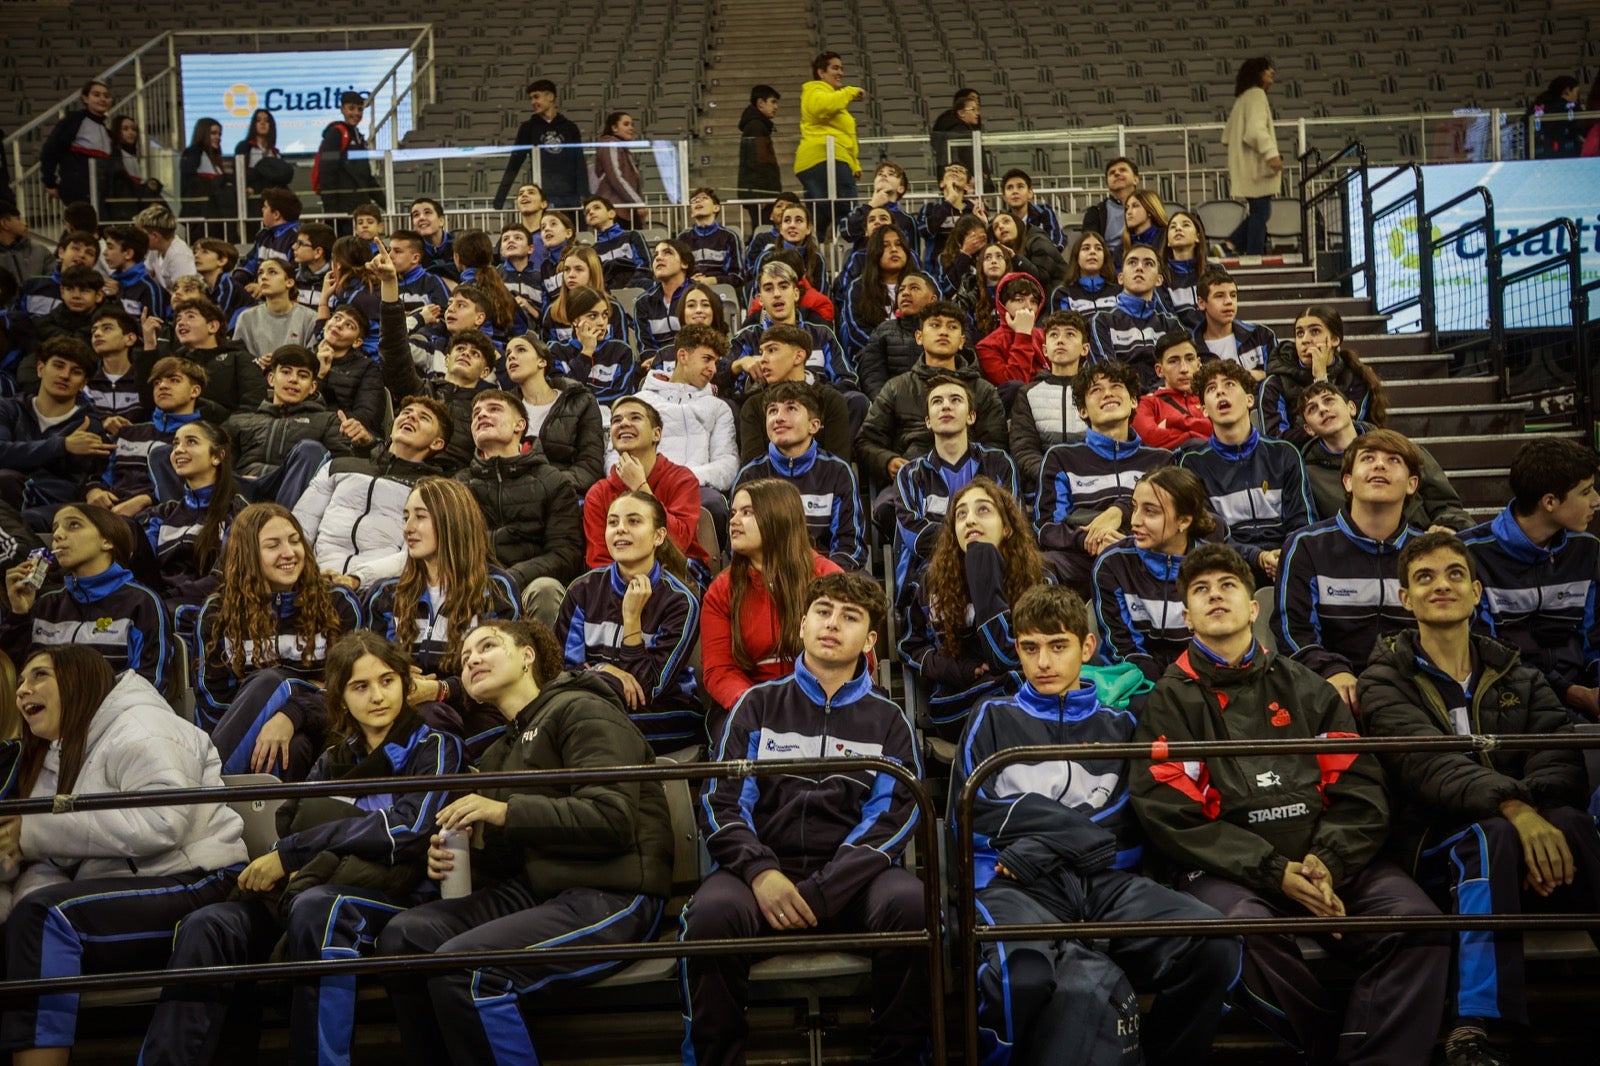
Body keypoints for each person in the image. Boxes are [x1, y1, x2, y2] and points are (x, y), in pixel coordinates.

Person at [1130, 542, 1451, 1066]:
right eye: (1201, 590)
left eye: (1228, 586)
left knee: (1419, 927)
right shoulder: (1168, 700)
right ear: (1186, 617)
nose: (1216, 596)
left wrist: (1328, 861)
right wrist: (1274, 870)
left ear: (1253, 608)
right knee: (1236, 934)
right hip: (1230, 872)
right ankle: (1329, 1050)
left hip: (1330, 860)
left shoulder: (1306, 686)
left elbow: (1360, 787)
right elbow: (1172, 812)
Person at [137, 631, 462, 1066]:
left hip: (395, 893)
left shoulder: (434, 746)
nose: (377, 696)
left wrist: (295, 853)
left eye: (387, 681)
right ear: (341, 698)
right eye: (360, 686)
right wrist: (295, 854)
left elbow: (406, 830)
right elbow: (292, 822)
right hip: (312, 883)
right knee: (209, 924)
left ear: (405, 683)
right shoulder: (333, 759)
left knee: (319, 908)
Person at [954, 584, 1238, 1065]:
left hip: (1104, 882)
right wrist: (1067, 838)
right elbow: (971, 813)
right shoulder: (991, 717)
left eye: (1057, 645)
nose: (1043, 662)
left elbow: (1125, 824)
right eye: (1030, 648)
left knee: (1215, 943)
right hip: (1012, 885)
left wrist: (1039, 846)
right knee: (1021, 977)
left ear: (1087, 647)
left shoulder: (1120, 725)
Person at [374, 619, 672, 1066]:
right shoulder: (499, 752)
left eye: (487, 646)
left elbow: (611, 819)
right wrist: (465, 849)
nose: (472, 659)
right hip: (537, 891)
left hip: (613, 891)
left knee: (464, 965)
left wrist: (503, 811)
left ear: (527, 656)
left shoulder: (583, 709)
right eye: (465, 656)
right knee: (403, 938)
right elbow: (509, 854)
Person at [1360, 531, 1600, 1066]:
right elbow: (1428, 767)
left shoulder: (1520, 673)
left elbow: (1558, 755)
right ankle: (1471, 1025)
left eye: (1454, 574)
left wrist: (1532, 822)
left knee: (1574, 824)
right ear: (1405, 599)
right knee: (1491, 839)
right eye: (1424, 577)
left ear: (1476, 591)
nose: (1440, 585)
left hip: (1522, 836)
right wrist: (1517, 813)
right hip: (1428, 844)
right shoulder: (1383, 679)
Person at [685, 571, 926, 1064]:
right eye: (822, 612)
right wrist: (761, 872)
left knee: (913, 907)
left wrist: (826, 888)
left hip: (852, 884)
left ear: (870, 641)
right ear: (801, 625)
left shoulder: (889, 721)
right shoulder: (757, 705)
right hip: (760, 876)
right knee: (709, 915)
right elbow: (721, 803)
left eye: (850, 617)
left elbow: (893, 817)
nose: (832, 624)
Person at [0, 644, 246, 1063]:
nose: (23, 689)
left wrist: (35, 836)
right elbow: (50, 856)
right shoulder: (61, 749)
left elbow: (164, 820)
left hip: (199, 878)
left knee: (45, 917)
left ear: (79, 681)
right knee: (24, 918)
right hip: (130, 886)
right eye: (21, 680)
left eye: (40, 675)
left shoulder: (143, 726)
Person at [362, 477, 522, 759]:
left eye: (420, 516)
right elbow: (364, 664)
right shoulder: (385, 595)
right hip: (400, 709)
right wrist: (394, 677)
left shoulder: (496, 589)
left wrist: (441, 689)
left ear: (452, 521)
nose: (407, 528)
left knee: (430, 719)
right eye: (406, 517)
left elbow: (507, 672)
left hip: (478, 713)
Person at [195, 503, 360, 777]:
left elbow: (349, 691)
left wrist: (291, 714)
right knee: (287, 747)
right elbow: (213, 702)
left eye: (295, 541)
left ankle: (206, 789)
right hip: (248, 740)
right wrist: (269, 721)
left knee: (274, 683)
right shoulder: (218, 612)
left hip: (325, 728)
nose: (289, 552)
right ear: (247, 554)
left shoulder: (338, 603)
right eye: (273, 545)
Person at [1274, 428, 1432, 711]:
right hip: (1332, 694)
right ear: (1347, 481)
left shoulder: (1429, 552)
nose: (1380, 465)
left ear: (1412, 484)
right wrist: (1331, 670)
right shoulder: (1306, 545)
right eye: (1368, 458)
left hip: (1414, 690)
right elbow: (1293, 631)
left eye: (1393, 460)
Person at [1460, 438, 1600, 718]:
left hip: (1583, 695)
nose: (1597, 500)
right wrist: (1569, 692)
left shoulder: (1588, 549)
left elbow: (1595, 637)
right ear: (1549, 502)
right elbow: (1487, 651)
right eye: (1586, 492)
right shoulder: (1469, 554)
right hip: (1509, 701)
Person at [556, 490, 702, 752]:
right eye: (613, 522)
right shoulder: (582, 590)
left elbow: (649, 687)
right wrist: (604, 669)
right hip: (592, 705)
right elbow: (563, 671)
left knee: (581, 727)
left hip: (665, 712)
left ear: (659, 536)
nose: (620, 529)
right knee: (574, 720)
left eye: (633, 521)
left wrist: (632, 618)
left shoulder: (679, 601)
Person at [900, 477, 1045, 738]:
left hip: (1020, 689)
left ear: (1007, 528)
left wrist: (983, 567)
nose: (970, 521)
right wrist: (960, 669)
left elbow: (1008, 658)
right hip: (956, 699)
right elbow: (909, 646)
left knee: (1023, 685)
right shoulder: (933, 582)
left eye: (983, 510)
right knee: (1015, 688)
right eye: (961, 514)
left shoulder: (1037, 580)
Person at [700, 480, 841, 720]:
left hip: (822, 701)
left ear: (778, 517)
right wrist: (757, 705)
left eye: (747, 512)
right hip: (750, 706)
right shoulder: (721, 590)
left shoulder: (828, 577)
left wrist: (813, 701)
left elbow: (853, 656)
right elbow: (719, 669)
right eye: (733, 513)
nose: (733, 521)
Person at [1035, 361, 1173, 593]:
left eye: (1116, 386)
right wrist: (1090, 539)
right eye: (1096, 390)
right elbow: (1047, 528)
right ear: (1083, 411)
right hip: (1082, 560)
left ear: (1133, 401)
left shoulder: (1161, 460)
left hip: (1146, 556)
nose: (1108, 393)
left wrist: (1120, 512)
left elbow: (1173, 520)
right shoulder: (1061, 458)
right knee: (1038, 566)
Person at [1, 503, 170, 690]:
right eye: (55, 529)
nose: (57, 535)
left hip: (117, 708)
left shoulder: (141, 603)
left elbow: (150, 684)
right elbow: (11, 683)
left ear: (107, 540)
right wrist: (19, 615)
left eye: (74, 525)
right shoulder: (46, 605)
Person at [293, 395, 452, 593]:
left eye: (424, 418)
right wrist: (305, 573)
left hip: (379, 591)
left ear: (437, 443)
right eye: (406, 413)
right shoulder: (337, 466)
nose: (411, 418)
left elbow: (413, 555)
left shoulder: (432, 490)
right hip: (314, 580)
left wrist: (357, 579)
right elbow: (301, 525)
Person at [1179, 358, 1312, 584]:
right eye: (1211, 389)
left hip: (1288, 562)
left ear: (1250, 399)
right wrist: (1257, 557)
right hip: (1227, 567)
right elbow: (1206, 534)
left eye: (1229, 384)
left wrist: (1284, 556)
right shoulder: (1192, 463)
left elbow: (1302, 521)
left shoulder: (1284, 453)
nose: (1220, 392)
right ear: (1204, 410)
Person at [859, 300, 1008, 500]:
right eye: (935, 325)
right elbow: (866, 441)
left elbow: (996, 446)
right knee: (886, 506)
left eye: (952, 327)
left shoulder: (983, 390)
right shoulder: (896, 388)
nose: (944, 332)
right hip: (911, 481)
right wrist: (888, 461)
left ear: (962, 341)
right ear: (919, 337)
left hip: (971, 483)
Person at [460, 389, 585, 626]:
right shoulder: (457, 486)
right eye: (476, 413)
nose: (482, 415)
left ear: (520, 425)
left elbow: (565, 554)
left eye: (494, 409)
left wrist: (509, 578)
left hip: (527, 587)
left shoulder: (553, 481)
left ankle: (544, 652)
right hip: (471, 587)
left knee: (546, 589)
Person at [373, 239, 494, 470]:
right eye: (460, 349)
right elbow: (393, 348)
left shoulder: (487, 407)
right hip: (400, 471)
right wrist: (389, 284)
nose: (466, 354)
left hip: (457, 481)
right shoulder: (421, 391)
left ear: (486, 371)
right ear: (446, 360)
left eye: (475, 353)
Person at [1092, 466, 1219, 682]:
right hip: (1137, 680)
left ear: (1184, 521)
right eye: (1134, 508)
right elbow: (1123, 647)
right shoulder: (1113, 563)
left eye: (1150, 511)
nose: (1135, 521)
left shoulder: (1215, 565)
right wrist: (1160, 688)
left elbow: (1219, 643)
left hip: (1201, 677)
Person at [893, 375, 1019, 586]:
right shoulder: (910, 474)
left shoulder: (999, 463)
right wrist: (973, 536)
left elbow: (1010, 523)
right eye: (937, 401)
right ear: (928, 421)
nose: (946, 406)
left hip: (995, 566)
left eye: (955, 400)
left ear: (971, 417)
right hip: (929, 574)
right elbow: (915, 536)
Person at [1298, 383, 1470, 531]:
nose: (1323, 409)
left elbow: (1447, 505)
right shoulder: (1307, 475)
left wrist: (1448, 527)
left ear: (1351, 408)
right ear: (1308, 429)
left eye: (1329, 400)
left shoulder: (1401, 448)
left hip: (1419, 543)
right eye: (1312, 409)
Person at [735, 380, 864, 571]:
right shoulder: (750, 476)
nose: (779, 418)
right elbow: (740, 547)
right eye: (772, 411)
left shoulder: (838, 472)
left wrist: (822, 578)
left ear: (814, 425)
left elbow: (849, 545)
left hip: (826, 575)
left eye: (791, 409)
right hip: (767, 574)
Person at [142, 419, 248, 609]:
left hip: (209, 608)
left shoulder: (238, 512)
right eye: (175, 444)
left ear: (217, 456)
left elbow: (224, 578)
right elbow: (142, 566)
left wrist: (167, 600)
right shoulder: (162, 514)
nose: (178, 450)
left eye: (191, 442)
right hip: (159, 606)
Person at [222, 345, 354, 499]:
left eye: (303, 375)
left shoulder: (328, 421)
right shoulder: (240, 421)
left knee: (310, 450)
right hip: (242, 492)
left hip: (296, 497)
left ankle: (285, 515)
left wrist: (362, 445)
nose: (293, 379)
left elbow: (342, 470)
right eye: (285, 372)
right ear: (271, 379)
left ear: (313, 387)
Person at [0, 337, 111, 513]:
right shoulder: (8, 409)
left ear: (83, 384)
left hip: (52, 510)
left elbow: (78, 486)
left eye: (75, 372)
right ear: (40, 369)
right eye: (58, 366)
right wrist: (62, 445)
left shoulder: (88, 426)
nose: (65, 375)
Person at [91, 353, 205, 517]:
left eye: (174, 380)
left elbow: (200, 487)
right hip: (110, 512)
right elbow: (100, 475)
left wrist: (147, 499)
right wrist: (95, 490)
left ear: (194, 391)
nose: (162, 386)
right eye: (157, 382)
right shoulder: (127, 432)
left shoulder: (204, 437)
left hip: (163, 516)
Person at [1260, 305, 1387, 444]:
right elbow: (1276, 440)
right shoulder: (1276, 382)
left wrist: (1321, 378)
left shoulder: (1355, 376)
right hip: (1299, 456)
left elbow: (1348, 429)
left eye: (1315, 331)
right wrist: (1315, 427)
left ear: (1335, 340)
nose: (1305, 340)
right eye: (1300, 333)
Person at [499, 333, 606, 496]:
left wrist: (545, 485)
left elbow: (590, 466)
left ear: (542, 362)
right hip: (513, 494)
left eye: (521, 350)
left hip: (563, 494)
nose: (511, 356)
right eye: (508, 354)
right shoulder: (503, 407)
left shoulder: (581, 401)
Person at [734, 323, 854, 464]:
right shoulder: (753, 405)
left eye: (772, 350)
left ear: (798, 356)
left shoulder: (831, 400)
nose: (762, 360)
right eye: (761, 353)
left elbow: (839, 466)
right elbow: (752, 469)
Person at [1009, 310, 1091, 494]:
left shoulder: (1096, 391)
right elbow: (1023, 449)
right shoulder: (1028, 394)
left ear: (1085, 349)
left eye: (1070, 334)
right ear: (1045, 349)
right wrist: (1052, 475)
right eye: (1054, 335)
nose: (1060, 340)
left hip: (1092, 484)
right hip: (1043, 488)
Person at [1088, 243, 1182, 391]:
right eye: (1132, 262)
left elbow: (1181, 368)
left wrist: (1155, 396)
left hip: (1163, 398)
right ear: (1120, 278)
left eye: (1148, 263)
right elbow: (1106, 371)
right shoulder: (1101, 321)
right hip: (1122, 398)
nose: (1139, 268)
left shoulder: (1171, 325)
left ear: (1159, 280)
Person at [794, 52, 864, 234]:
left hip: (825, 161)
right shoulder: (814, 91)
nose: (841, 72)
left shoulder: (830, 96)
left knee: (819, 220)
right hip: (824, 160)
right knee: (848, 216)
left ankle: (810, 250)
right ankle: (854, 249)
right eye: (835, 68)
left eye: (842, 68)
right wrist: (849, 92)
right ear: (821, 72)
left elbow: (845, 134)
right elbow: (822, 107)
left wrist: (854, 164)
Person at [493, 79, 587, 210]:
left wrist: (585, 195)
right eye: (531, 98)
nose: (533, 102)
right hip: (543, 196)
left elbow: (579, 162)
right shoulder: (528, 128)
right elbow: (514, 163)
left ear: (550, 97)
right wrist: (499, 200)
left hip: (570, 197)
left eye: (536, 97)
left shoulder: (570, 128)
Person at [1223, 57, 1283, 256]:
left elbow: (1226, 136)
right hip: (1256, 168)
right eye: (1267, 69)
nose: (1272, 71)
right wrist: (1271, 154)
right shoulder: (1257, 95)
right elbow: (1255, 131)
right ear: (1258, 74)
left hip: (1244, 168)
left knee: (1260, 212)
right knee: (1261, 213)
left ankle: (1229, 246)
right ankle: (1252, 255)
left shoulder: (1242, 99)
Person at [39, 79, 114, 209]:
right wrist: (49, 182)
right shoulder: (74, 120)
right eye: (96, 95)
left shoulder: (105, 129)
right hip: (79, 191)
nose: (102, 99)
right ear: (85, 99)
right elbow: (51, 149)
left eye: (106, 96)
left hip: (101, 191)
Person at [1131, 331, 1212, 451]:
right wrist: (1197, 436)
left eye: (1189, 359)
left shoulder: (1210, 398)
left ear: (1198, 364)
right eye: (1173, 361)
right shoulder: (1146, 404)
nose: (1184, 369)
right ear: (1159, 370)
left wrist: (1173, 422)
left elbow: (1228, 430)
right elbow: (1150, 439)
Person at [975, 271, 1046, 402]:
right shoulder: (987, 346)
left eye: (1033, 301)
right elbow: (1014, 387)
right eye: (1019, 300)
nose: (1028, 307)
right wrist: (1023, 335)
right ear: (1003, 305)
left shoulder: (1045, 337)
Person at [1193, 268, 1276, 378]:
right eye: (1219, 296)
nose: (1229, 301)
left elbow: (1279, 379)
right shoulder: (1192, 348)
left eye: (1233, 295)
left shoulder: (1261, 335)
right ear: (1201, 303)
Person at [314, 91, 383, 222]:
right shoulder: (336, 133)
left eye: (360, 109)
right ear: (342, 109)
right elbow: (327, 173)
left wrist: (386, 204)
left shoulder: (358, 137)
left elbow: (367, 177)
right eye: (351, 108)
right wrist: (332, 213)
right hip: (343, 211)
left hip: (360, 208)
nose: (356, 113)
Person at [233, 257, 319, 361]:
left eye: (272, 272)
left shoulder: (310, 318)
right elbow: (237, 358)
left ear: (289, 282)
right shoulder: (246, 318)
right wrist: (258, 363)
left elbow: (313, 360)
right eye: (260, 273)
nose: (264, 277)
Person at [678, 186, 744, 289]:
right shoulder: (683, 238)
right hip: (689, 289)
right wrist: (689, 280)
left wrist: (713, 280)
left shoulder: (729, 237)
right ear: (692, 213)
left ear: (716, 208)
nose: (697, 201)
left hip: (721, 289)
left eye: (704, 198)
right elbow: (677, 271)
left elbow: (738, 276)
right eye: (693, 200)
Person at [737, 86, 783, 231]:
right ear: (760, 103)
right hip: (761, 194)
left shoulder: (757, 125)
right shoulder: (756, 126)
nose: (776, 107)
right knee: (764, 230)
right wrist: (762, 194)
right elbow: (757, 162)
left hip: (760, 192)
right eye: (773, 102)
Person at [634, 238, 693, 351]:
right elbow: (646, 350)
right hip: (657, 361)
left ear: (684, 263)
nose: (658, 258)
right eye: (655, 255)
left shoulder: (701, 297)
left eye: (667, 253)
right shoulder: (643, 302)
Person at [180, 118, 235, 235]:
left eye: (219, 134)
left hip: (216, 216)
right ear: (203, 133)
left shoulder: (214, 159)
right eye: (213, 133)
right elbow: (190, 184)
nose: (218, 137)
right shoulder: (194, 152)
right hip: (201, 218)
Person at [593, 111, 648, 227]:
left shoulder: (621, 147)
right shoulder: (611, 144)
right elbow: (616, 177)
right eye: (626, 124)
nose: (631, 128)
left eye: (632, 125)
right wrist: (638, 202)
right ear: (614, 128)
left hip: (624, 209)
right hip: (614, 209)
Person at [1156, 209, 1209, 330]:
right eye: (1173, 227)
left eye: (1185, 225)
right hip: (1180, 339)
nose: (1178, 229)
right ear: (1168, 241)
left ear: (1198, 237)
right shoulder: (1160, 277)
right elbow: (1169, 319)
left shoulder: (1216, 271)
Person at [582, 196, 650, 289]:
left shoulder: (632, 236)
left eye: (596, 208)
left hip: (635, 290)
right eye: (587, 212)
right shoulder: (593, 250)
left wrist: (628, 288)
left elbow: (645, 266)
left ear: (611, 213)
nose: (591, 212)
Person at [103, 115, 162, 222]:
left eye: (134, 129)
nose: (131, 133)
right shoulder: (115, 156)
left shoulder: (132, 156)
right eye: (125, 129)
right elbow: (125, 186)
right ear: (117, 131)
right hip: (123, 210)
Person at [1080, 156, 1141, 258]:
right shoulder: (1095, 213)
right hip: (1108, 262)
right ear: (1107, 184)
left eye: (1123, 170)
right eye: (1112, 173)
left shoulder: (1148, 208)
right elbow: (1089, 245)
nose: (1117, 173)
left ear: (1136, 179)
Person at [1050, 231, 1120, 314]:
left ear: (1105, 257)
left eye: (1098, 248)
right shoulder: (1063, 294)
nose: (1092, 252)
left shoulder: (1118, 292)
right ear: (1076, 257)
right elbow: (1062, 322)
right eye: (1086, 248)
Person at [997, 168, 1064, 249]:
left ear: (1030, 193)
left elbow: (1056, 243)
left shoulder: (1044, 212)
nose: (1015, 191)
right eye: (1010, 188)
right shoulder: (999, 222)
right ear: (1004, 197)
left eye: (1020, 187)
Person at [133, 203, 194, 292]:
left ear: (155, 236)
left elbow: (187, 293)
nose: (138, 238)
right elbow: (145, 274)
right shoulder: (155, 249)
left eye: (141, 234)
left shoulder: (180, 256)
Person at [234, 107, 289, 193]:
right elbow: (240, 175)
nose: (263, 123)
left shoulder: (275, 153)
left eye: (266, 121)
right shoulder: (244, 147)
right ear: (254, 124)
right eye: (258, 120)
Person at [930, 88, 982, 174]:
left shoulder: (970, 126)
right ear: (961, 112)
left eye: (978, 100)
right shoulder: (957, 130)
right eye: (972, 98)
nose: (977, 102)